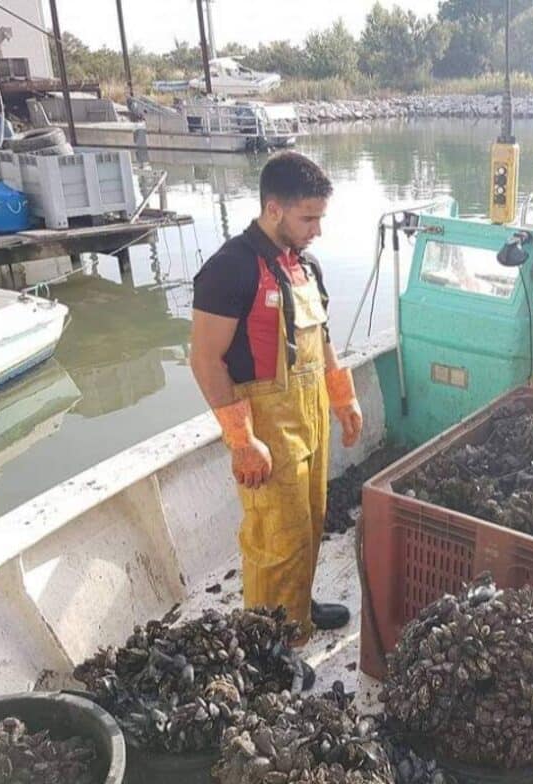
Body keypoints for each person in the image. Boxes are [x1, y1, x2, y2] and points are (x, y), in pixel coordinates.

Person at [190, 152, 362, 671]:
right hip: (265, 421)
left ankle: (299, 611)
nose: (317, 230)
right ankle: (270, 648)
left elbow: (323, 337)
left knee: (309, 522)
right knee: (276, 538)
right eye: (308, 218)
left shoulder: (305, 265)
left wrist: (343, 395)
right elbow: (204, 359)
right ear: (273, 209)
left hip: (309, 416)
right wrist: (242, 440)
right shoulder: (231, 268)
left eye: (320, 218)